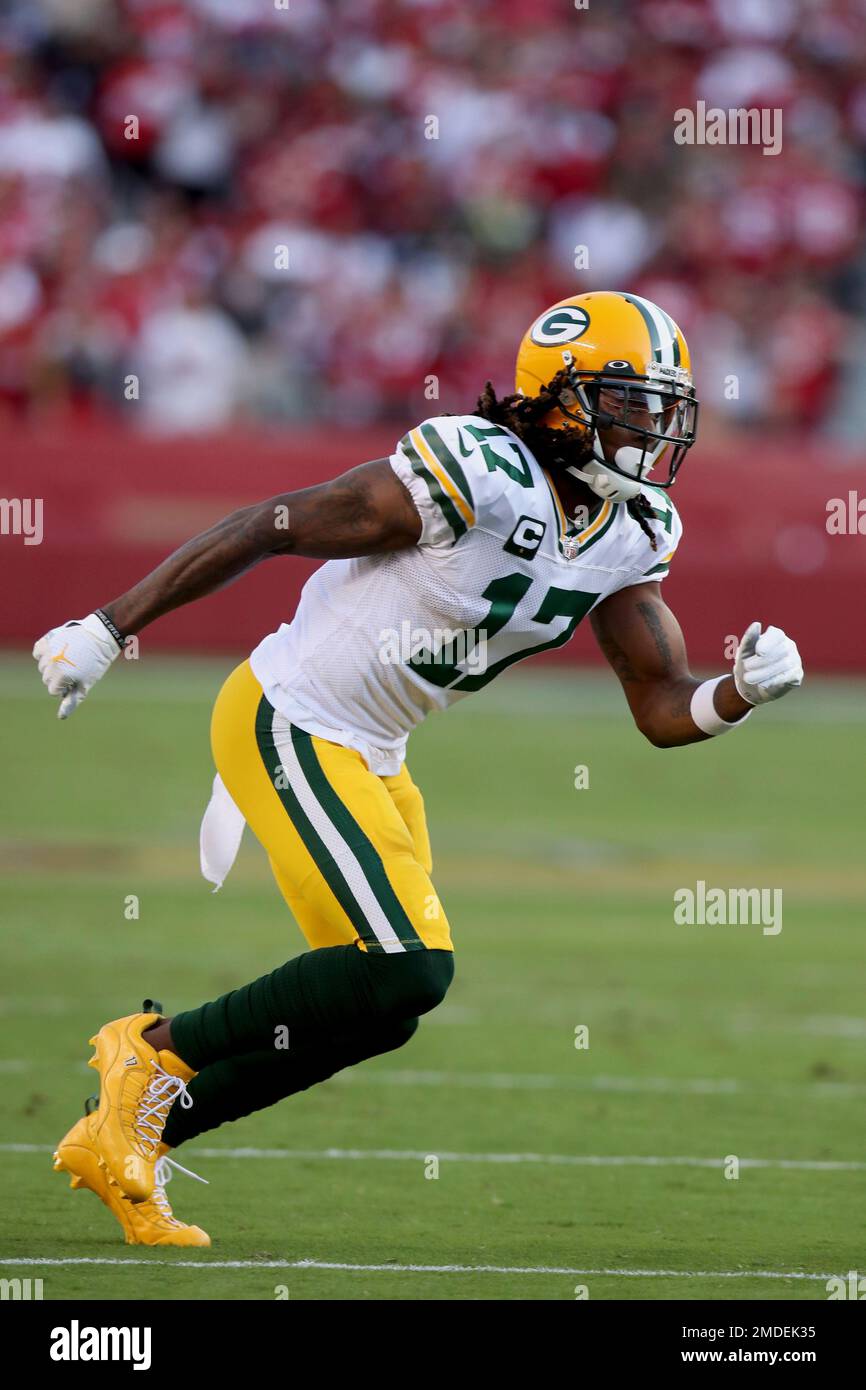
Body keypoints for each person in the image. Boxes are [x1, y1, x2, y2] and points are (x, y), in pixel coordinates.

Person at [33, 291, 804, 1245]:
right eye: (630, 402)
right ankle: (150, 1052)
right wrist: (111, 628)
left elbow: (657, 702)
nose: (651, 431)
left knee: (381, 1002)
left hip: (376, 749)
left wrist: (738, 692)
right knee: (409, 965)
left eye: (662, 408)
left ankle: (131, 1135)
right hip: (293, 717)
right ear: (560, 397)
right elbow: (271, 524)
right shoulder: (477, 472)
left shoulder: (634, 528)